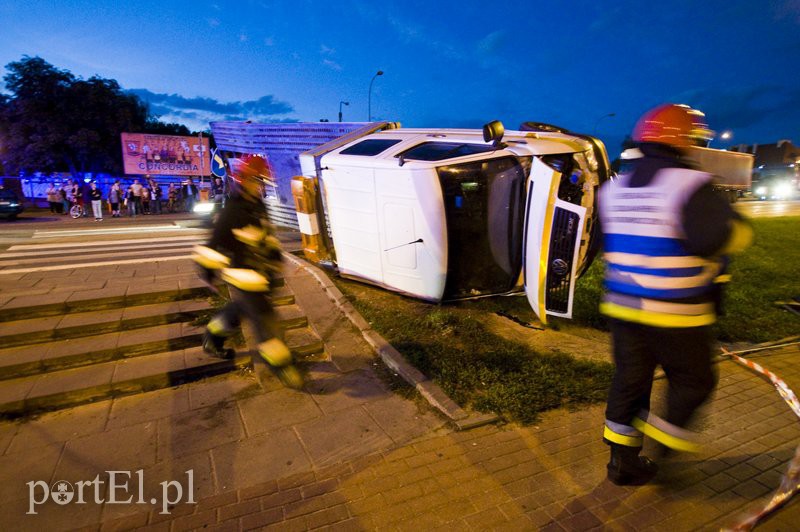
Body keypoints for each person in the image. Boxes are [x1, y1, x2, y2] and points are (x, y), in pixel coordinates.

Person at [598, 103, 754, 486]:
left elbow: (605, 240)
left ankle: (622, 462)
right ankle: (663, 445)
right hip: (677, 311)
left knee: (630, 381)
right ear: (684, 140)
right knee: (694, 382)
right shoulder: (690, 185)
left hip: (623, 307)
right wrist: (736, 228)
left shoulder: (612, 189)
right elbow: (719, 238)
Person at [191, 155, 302, 389]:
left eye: (262, 182)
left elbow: (266, 236)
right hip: (243, 275)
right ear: (245, 180)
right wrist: (209, 274)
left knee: (239, 309)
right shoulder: (233, 210)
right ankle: (281, 364)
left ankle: (212, 337)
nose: (260, 187)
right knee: (265, 320)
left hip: (262, 275)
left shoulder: (258, 205)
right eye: (257, 181)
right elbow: (213, 244)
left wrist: (275, 258)